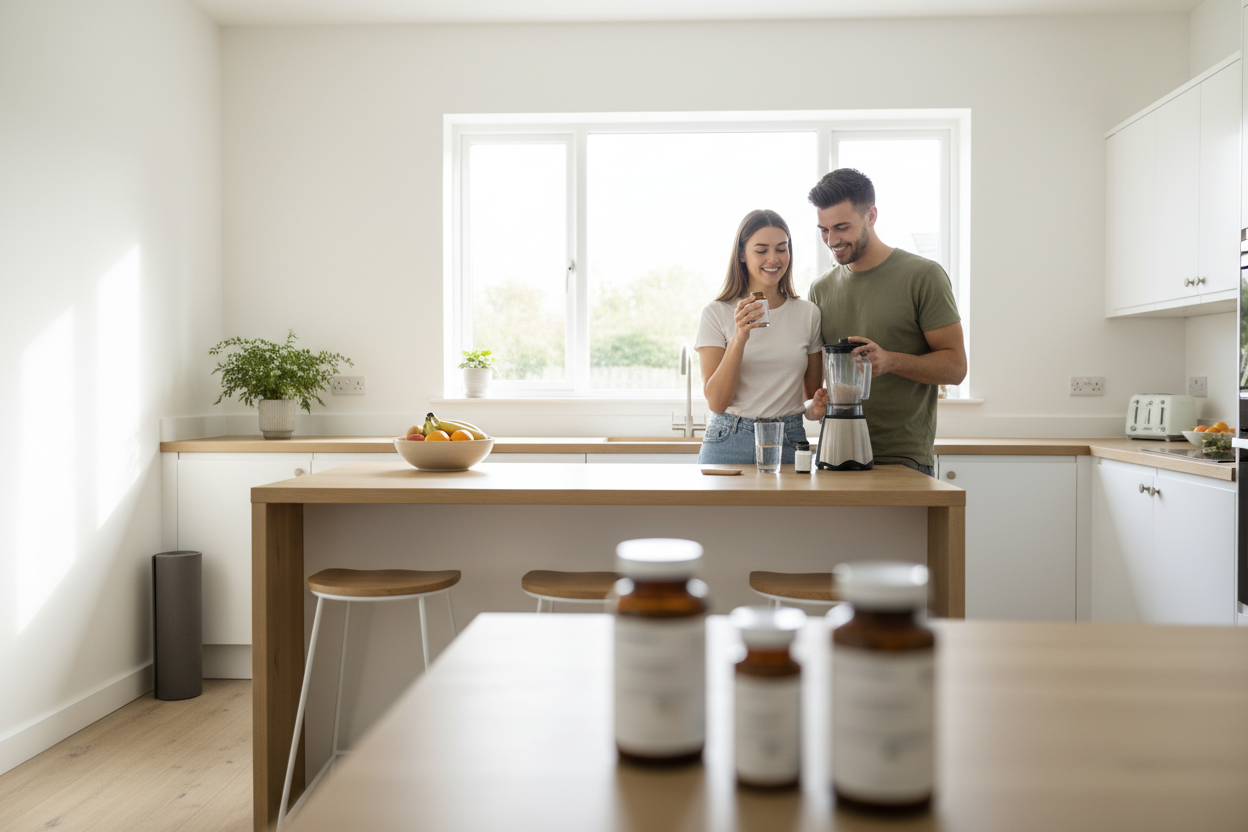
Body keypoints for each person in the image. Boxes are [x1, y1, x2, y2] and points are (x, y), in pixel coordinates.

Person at [802, 169, 966, 477]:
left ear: (871, 215)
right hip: (834, 454)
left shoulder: (923, 276)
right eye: (824, 230)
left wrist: (889, 361)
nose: (832, 240)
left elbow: (956, 368)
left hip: (903, 458)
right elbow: (812, 392)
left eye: (841, 227)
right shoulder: (819, 289)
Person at [696, 209, 823, 465]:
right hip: (728, 439)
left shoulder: (808, 314)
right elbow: (718, 403)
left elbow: (808, 401)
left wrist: (816, 409)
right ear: (742, 254)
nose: (773, 259)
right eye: (761, 250)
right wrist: (740, 336)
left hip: (789, 440)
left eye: (781, 248)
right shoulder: (716, 313)